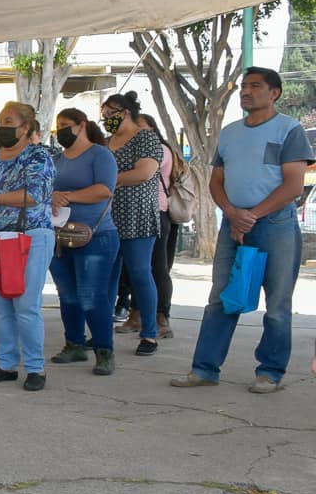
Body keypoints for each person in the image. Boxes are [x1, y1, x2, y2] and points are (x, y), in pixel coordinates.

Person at [171, 67, 314, 393]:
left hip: (275, 225)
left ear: (274, 92)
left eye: (255, 86)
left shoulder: (289, 130)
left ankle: (270, 372)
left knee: (277, 304)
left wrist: (250, 216)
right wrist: (234, 215)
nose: (246, 92)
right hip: (233, 225)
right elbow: (216, 181)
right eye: (244, 86)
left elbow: (293, 186)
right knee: (221, 298)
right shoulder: (231, 132)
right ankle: (204, 369)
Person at [0, 101, 55, 391]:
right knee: (1, 306)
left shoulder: (39, 156)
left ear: (26, 128)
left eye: (9, 121)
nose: (2, 127)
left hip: (29, 236)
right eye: (1, 121)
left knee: (26, 306)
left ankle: (35, 368)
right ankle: (6, 364)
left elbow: (36, 195)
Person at [47, 109, 119, 375]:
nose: (62, 131)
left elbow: (104, 189)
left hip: (95, 236)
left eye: (66, 125)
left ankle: (104, 351)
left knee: (92, 295)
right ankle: (74, 344)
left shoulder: (100, 155)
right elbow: (45, 190)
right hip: (60, 237)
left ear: (82, 125)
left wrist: (67, 195)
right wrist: (53, 196)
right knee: (68, 295)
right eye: (58, 126)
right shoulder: (56, 159)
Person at [103, 91, 162, 355]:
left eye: (110, 115)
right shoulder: (106, 143)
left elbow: (145, 172)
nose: (106, 120)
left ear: (125, 112)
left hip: (137, 215)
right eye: (104, 116)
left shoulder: (146, 137)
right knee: (106, 278)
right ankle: (102, 332)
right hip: (106, 217)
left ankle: (149, 334)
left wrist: (108, 180)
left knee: (139, 273)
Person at [141, 114, 181, 339]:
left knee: (158, 266)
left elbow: (142, 174)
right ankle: (138, 314)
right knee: (137, 269)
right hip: (135, 213)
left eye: (143, 128)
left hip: (157, 212)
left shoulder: (160, 150)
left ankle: (162, 316)